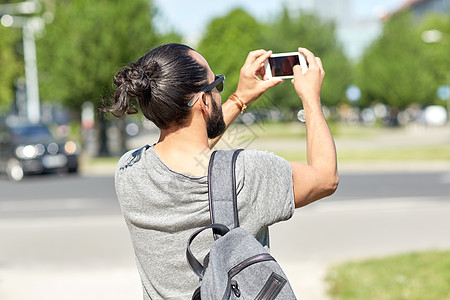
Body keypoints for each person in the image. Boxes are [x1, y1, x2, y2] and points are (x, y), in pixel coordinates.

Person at [106, 43, 338, 299]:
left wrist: (240, 97)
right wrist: (311, 99)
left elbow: (191, 151)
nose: (218, 91)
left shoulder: (129, 171)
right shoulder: (246, 175)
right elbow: (325, 178)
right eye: (216, 84)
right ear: (203, 101)